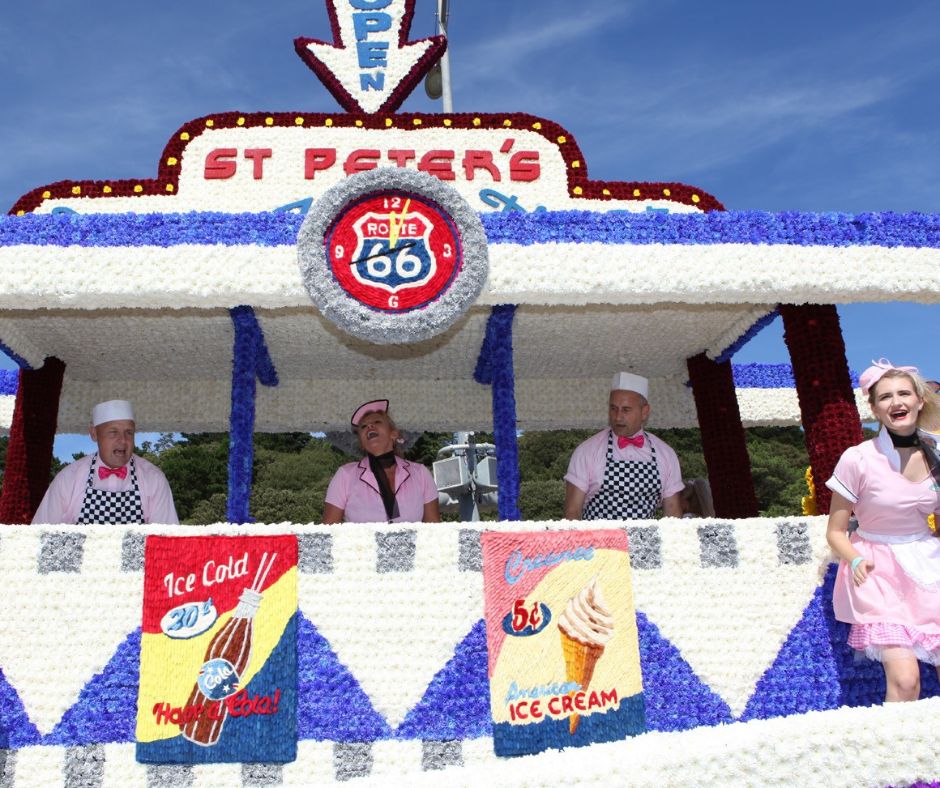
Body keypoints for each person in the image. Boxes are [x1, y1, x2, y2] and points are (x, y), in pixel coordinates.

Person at [825, 359, 940, 702]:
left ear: (920, 400)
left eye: (904, 393)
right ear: (874, 408)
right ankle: (895, 754)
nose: (897, 402)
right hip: (878, 573)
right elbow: (835, 531)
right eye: (886, 397)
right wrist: (855, 559)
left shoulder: (938, 456)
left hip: (927, 567)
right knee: (906, 682)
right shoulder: (857, 459)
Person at [32, 399, 179, 525]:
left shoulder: (154, 479)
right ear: (94, 434)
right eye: (113, 432)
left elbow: (166, 542)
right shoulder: (68, 479)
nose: (123, 440)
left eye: (129, 432)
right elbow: (39, 536)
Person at [564, 372, 683, 520]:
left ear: (644, 412)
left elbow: (673, 513)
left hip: (645, 543)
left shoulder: (666, 454)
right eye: (613, 408)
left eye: (626, 410)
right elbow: (572, 512)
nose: (618, 416)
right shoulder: (587, 451)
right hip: (599, 543)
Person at [322, 399, 440, 524]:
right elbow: (328, 531)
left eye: (377, 421)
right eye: (363, 426)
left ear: (394, 434)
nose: (369, 426)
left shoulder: (421, 474)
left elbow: (434, 530)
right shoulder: (345, 475)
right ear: (361, 443)